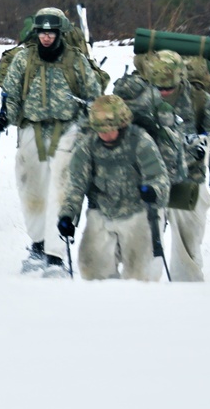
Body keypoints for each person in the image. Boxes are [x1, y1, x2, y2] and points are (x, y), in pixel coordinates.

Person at [0, 6, 102, 276]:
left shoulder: (75, 60)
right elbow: (12, 92)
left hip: (68, 129)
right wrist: (4, 117)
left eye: (51, 33)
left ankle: (56, 253)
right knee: (31, 188)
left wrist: (93, 123)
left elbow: (93, 93)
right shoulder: (24, 59)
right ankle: (38, 243)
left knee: (62, 188)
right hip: (31, 128)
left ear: (60, 33)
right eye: (42, 33)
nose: (46, 38)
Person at [57, 95, 171, 281]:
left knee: (140, 276)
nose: (105, 134)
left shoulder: (140, 142)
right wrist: (67, 216)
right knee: (91, 269)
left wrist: (153, 190)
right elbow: (76, 185)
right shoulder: (87, 146)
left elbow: (159, 177)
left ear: (122, 124)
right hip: (101, 212)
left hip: (138, 212)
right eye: (101, 130)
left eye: (110, 129)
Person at [145, 50, 210, 282]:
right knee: (144, 244)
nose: (163, 92)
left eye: (168, 88)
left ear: (180, 79)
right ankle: (139, 293)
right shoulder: (140, 98)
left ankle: (188, 294)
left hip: (188, 181)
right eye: (158, 87)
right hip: (149, 182)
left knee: (187, 247)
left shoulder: (200, 100)